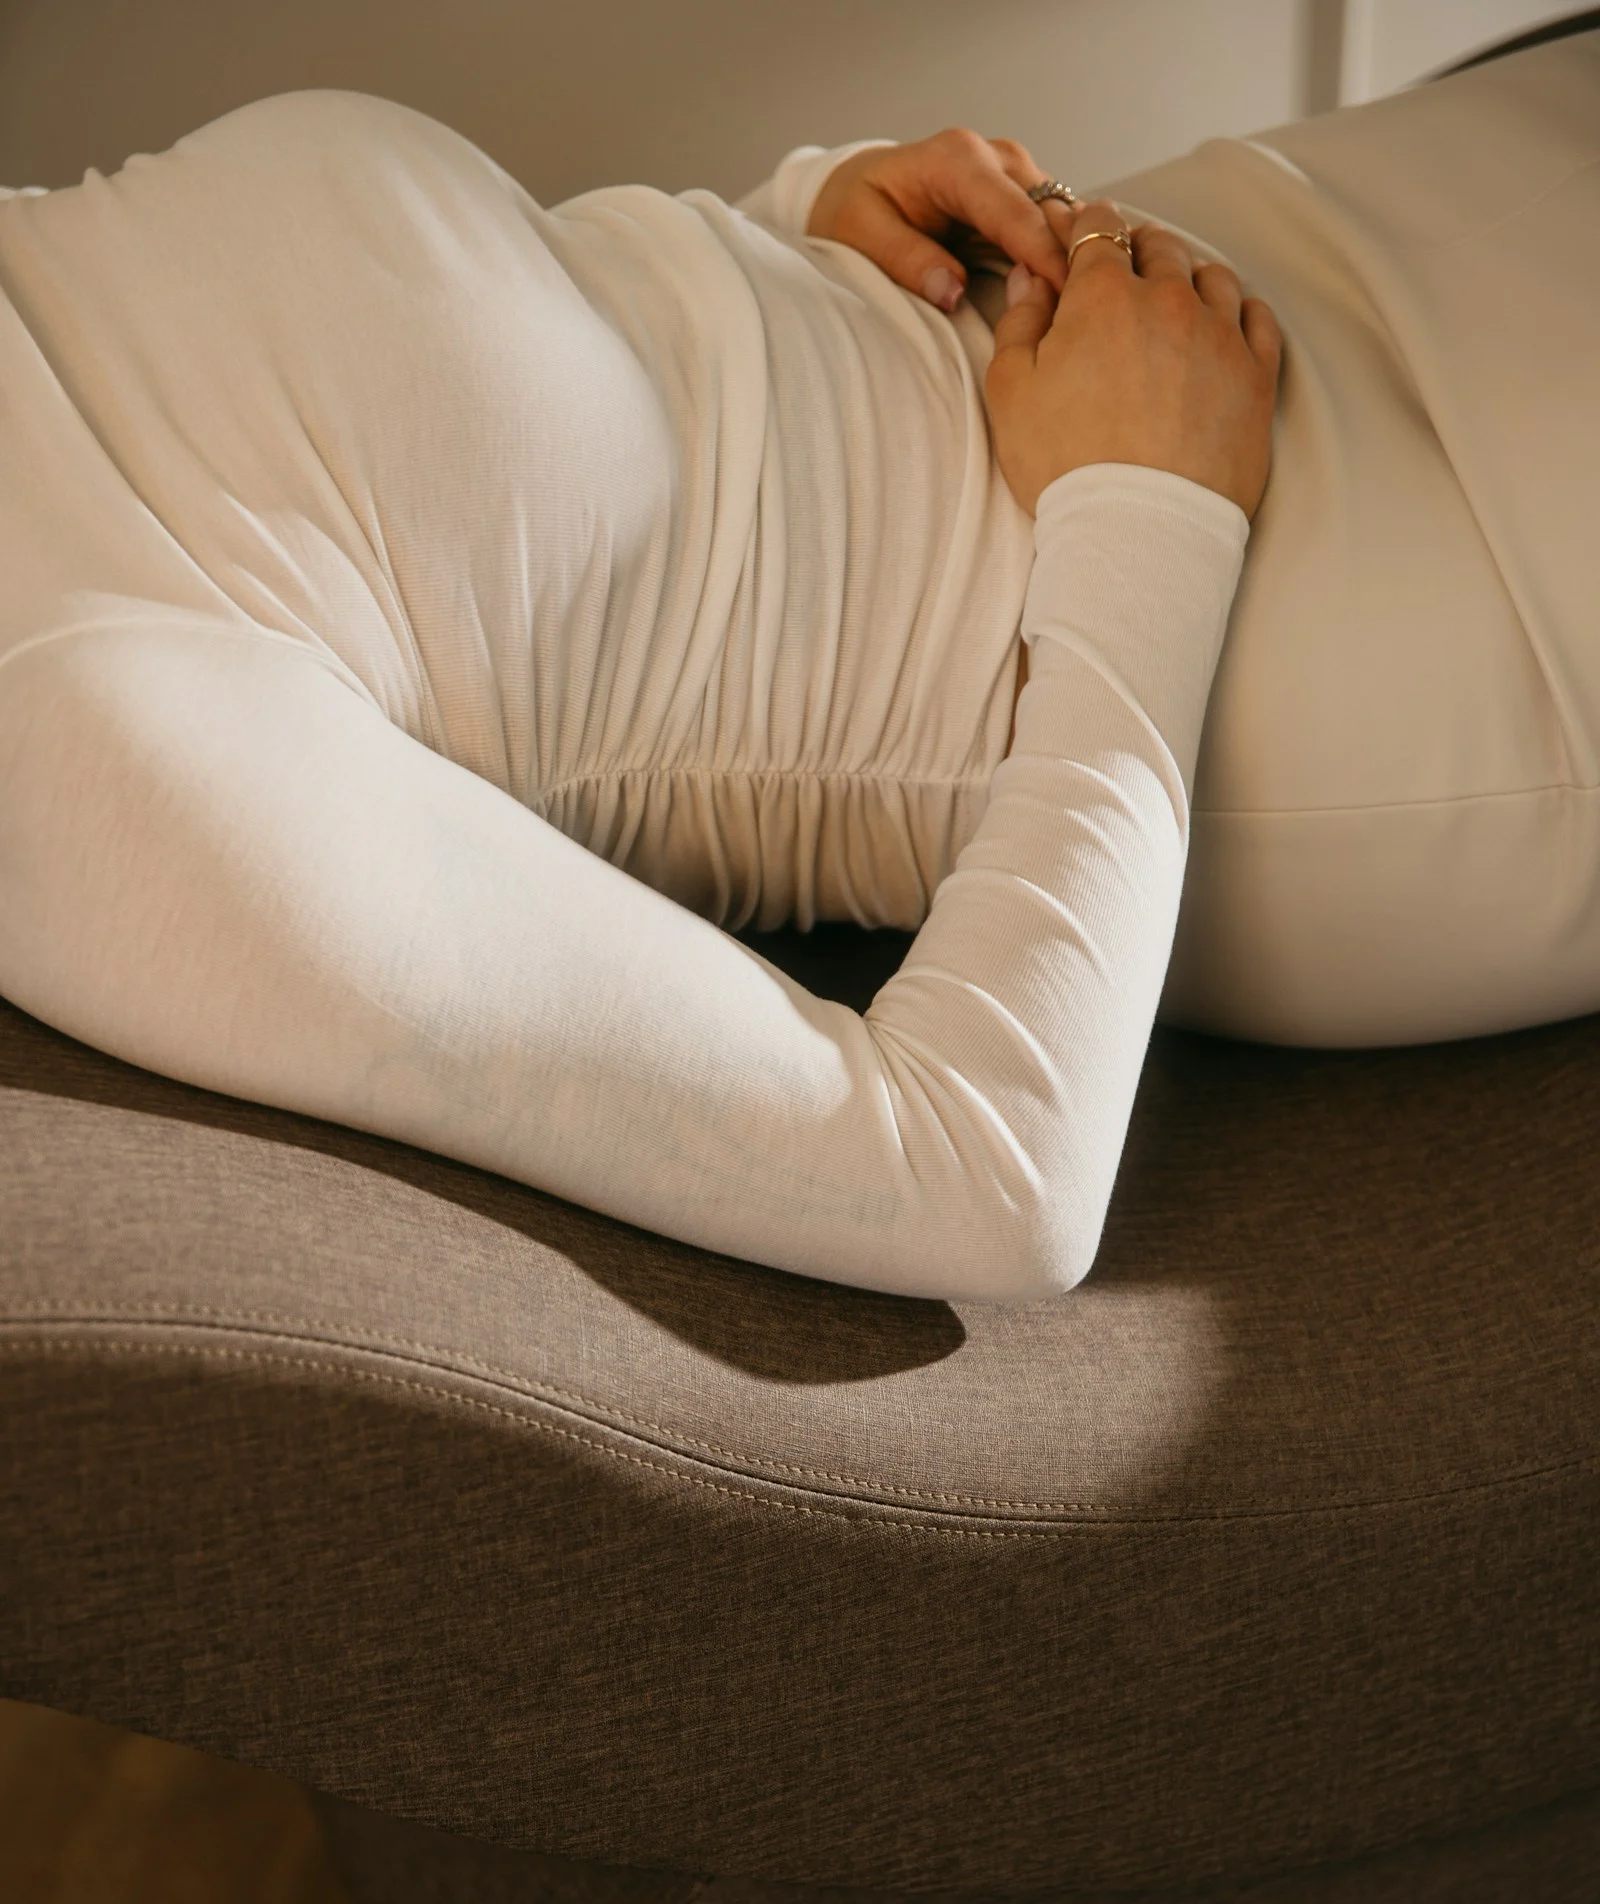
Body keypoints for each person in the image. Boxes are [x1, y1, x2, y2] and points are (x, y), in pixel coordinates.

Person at [0, 36, 1592, 1303]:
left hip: (1168, 288)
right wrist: (1149, 508)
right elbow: (978, 1179)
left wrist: (797, 226)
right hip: (1322, 623)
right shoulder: (71, 741)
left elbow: (511, 446)